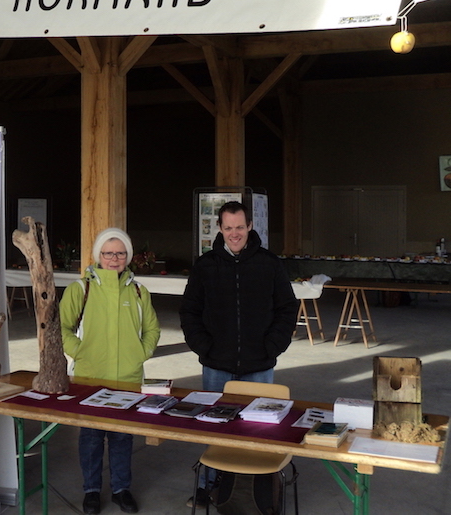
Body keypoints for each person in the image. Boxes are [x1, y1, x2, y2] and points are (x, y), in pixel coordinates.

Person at [179, 201, 298, 508]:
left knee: (258, 429)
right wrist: (203, 347)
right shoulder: (205, 265)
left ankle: (258, 491)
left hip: (259, 365)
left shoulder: (270, 264)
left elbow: (287, 308)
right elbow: (190, 310)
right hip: (217, 365)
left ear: (250, 227)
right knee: (214, 427)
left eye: (240, 227)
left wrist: (272, 346)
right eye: (228, 228)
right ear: (220, 228)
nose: (235, 234)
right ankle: (210, 486)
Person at [60, 228, 161, 515]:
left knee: (122, 437)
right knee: (91, 438)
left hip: (127, 378)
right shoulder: (80, 289)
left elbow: (152, 328)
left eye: (120, 253)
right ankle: (91, 491)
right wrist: (80, 352)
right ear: (98, 256)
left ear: (127, 256)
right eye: (108, 253)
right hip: (90, 377)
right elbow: (62, 328)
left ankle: (121, 489)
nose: (114, 259)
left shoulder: (139, 291)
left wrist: (141, 353)